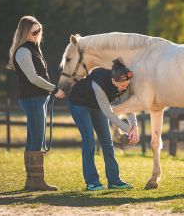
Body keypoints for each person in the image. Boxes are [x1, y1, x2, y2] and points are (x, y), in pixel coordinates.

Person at [7, 15, 64, 191]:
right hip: (33, 99)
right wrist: (54, 89)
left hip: (37, 99)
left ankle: (31, 181)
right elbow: (33, 78)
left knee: (33, 137)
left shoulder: (33, 49)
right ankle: (37, 180)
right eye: (34, 31)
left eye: (39, 31)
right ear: (25, 32)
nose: (38, 34)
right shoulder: (24, 51)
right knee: (37, 137)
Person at [67, 58, 139, 191]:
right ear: (113, 81)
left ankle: (114, 181)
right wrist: (128, 130)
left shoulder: (124, 84)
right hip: (79, 104)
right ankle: (92, 182)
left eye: (127, 84)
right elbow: (109, 113)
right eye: (122, 85)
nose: (125, 87)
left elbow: (128, 106)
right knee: (89, 141)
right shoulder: (99, 83)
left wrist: (135, 127)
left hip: (96, 106)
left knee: (107, 142)